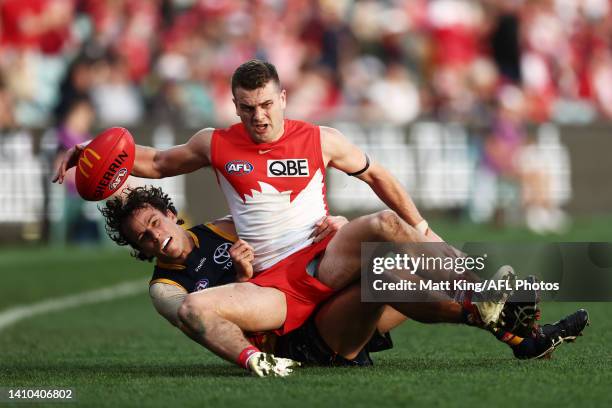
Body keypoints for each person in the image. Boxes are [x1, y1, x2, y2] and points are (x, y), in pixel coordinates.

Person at [52, 59, 572, 372]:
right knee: (386, 261)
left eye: (265, 104)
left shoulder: (320, 138)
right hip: (279, 286)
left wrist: (425, 231)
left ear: (282, 97)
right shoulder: (215, 145)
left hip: (324, 257)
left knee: (391, 242)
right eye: (246, 107)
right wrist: (87, 153)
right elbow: (155, 161)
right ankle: (498, 315)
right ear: (235, 107)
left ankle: (496, 310)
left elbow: (378, 178)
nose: (258, 116)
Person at [100, 186, 589, 376]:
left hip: (314, 299)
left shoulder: (223, 228)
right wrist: (247, 287)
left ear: (170, 213)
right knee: (383, 272)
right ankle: (494, 312)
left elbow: (294, 238)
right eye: (143, 238)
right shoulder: (166, 289)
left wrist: (333, 227)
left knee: (393, 263)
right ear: (138, 250)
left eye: (155, 223)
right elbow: (201, 319)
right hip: (299, 338)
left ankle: (512, 328)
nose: (155, 237)